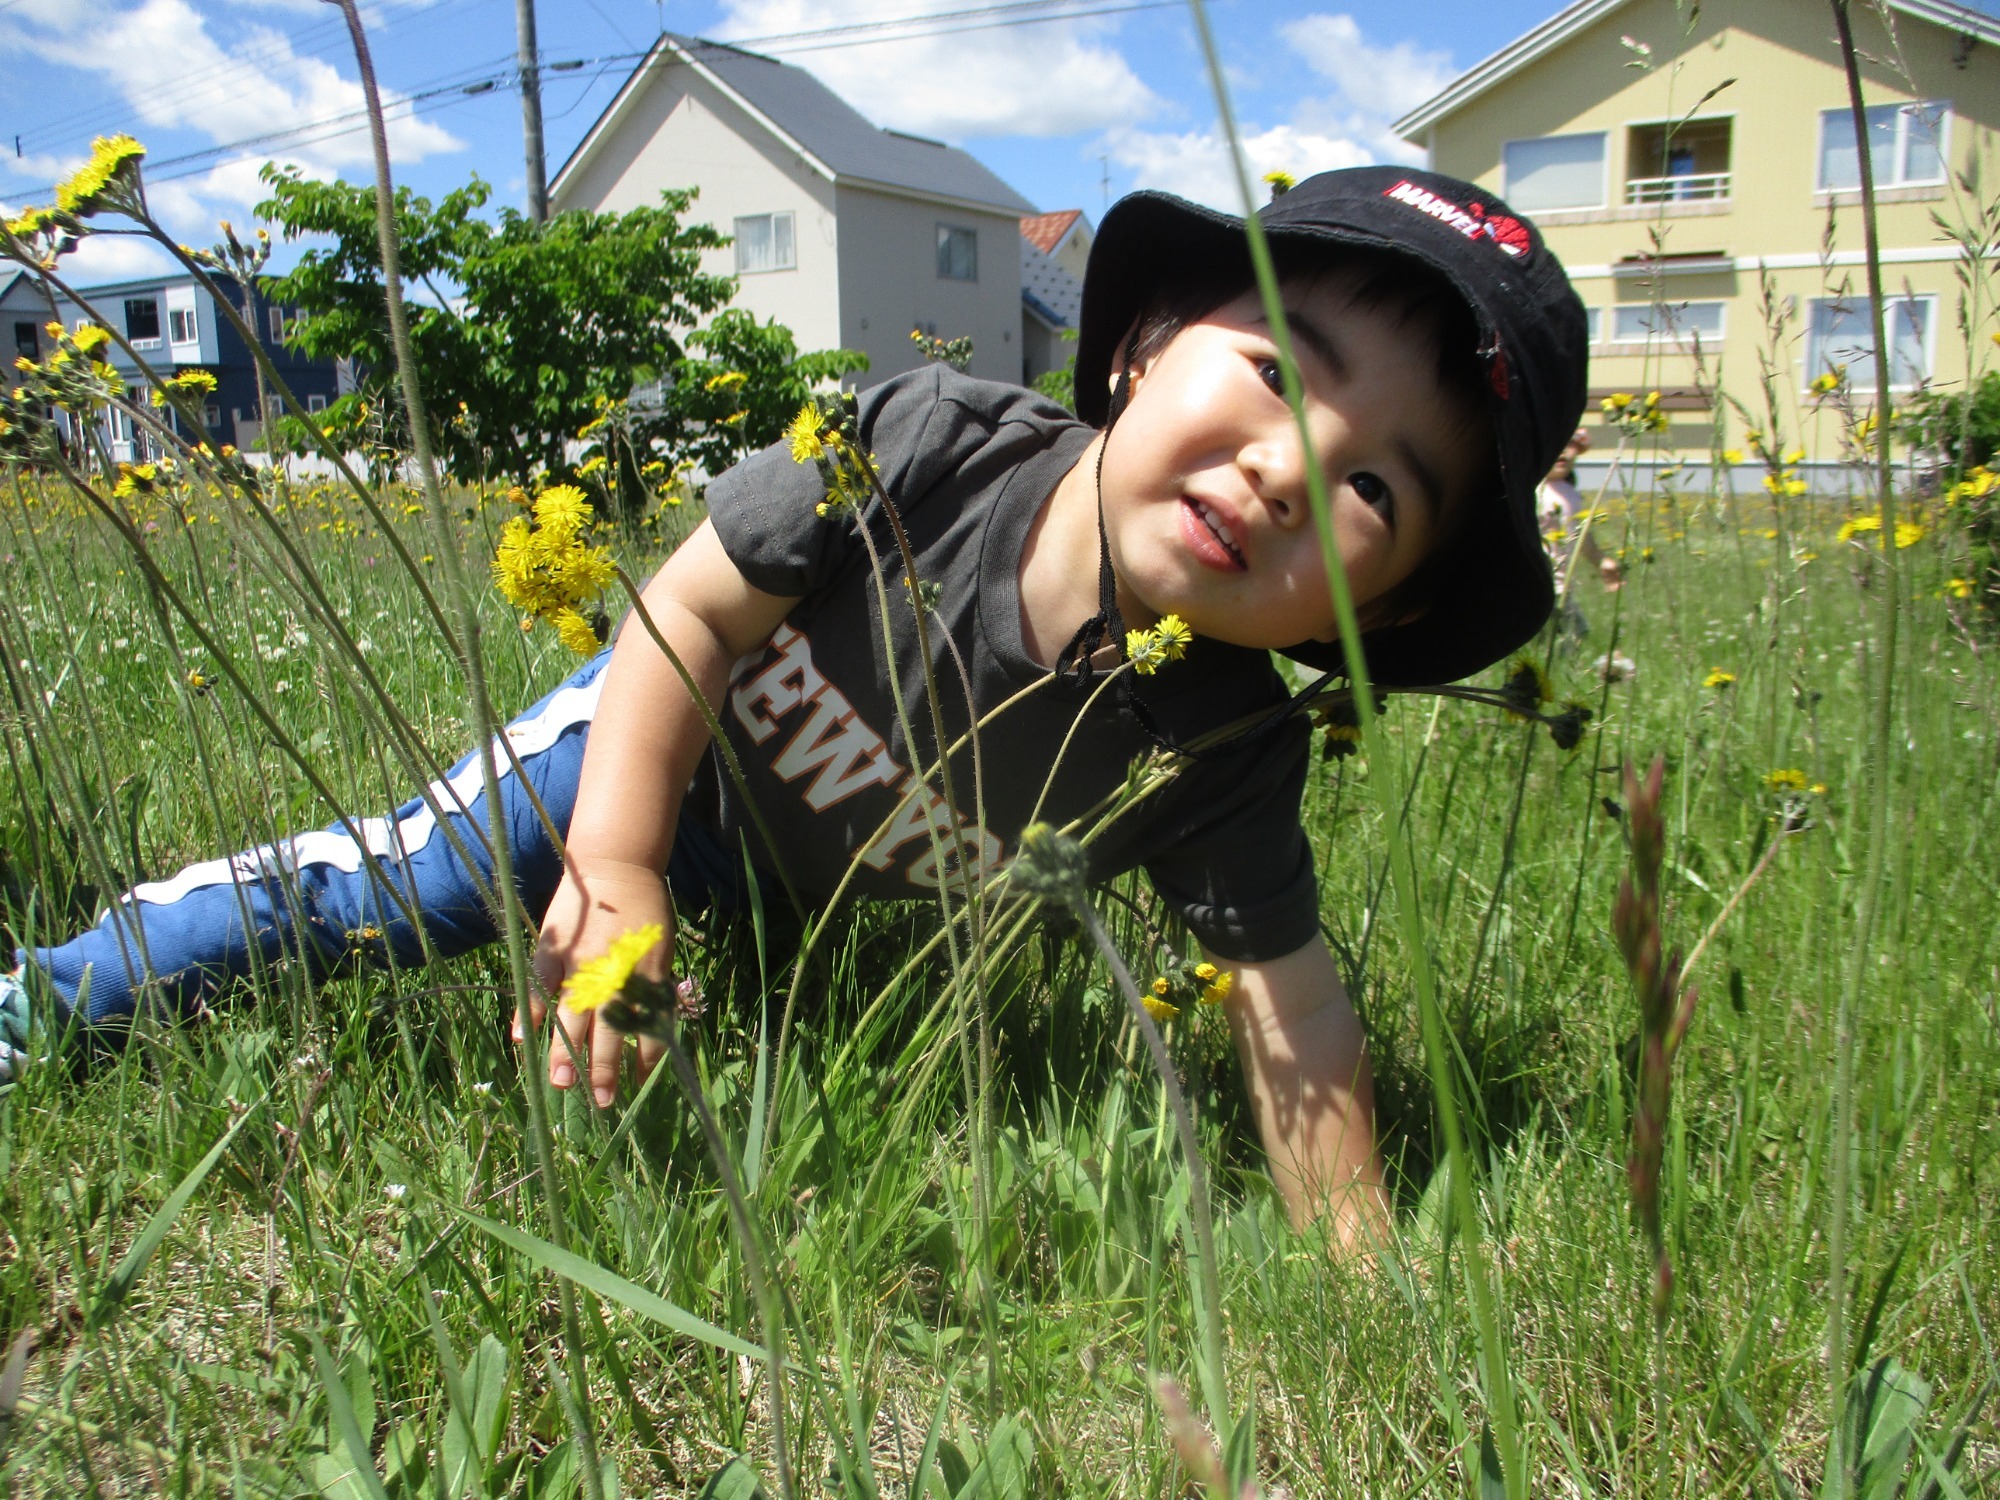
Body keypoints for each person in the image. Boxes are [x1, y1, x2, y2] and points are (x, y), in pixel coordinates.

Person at [0, 167, 1586, 1243]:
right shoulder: (924, 443)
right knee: (402, 889)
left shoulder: (1223, 742)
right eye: (1274, 369)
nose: (1291, 465)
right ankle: (55, 994)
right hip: (660, 744)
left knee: (742, 1003)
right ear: (1148, 348)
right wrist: (615, 860)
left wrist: (1357, 1267)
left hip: (792, 873)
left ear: (1384, 610)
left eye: (1375, 482)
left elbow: (1290, 1011)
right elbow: (683, 608)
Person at [1538, 428, 1623, 642]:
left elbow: (1580, 536)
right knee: (1570, 633)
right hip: (1538, 583)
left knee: (1570, 634)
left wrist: (1600, 560)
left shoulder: (1571, 493)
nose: (1562, 452)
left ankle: (1554, 672)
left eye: (1568, 446)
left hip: (1561, 585)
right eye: (1554, 446)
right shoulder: (1534, 490)